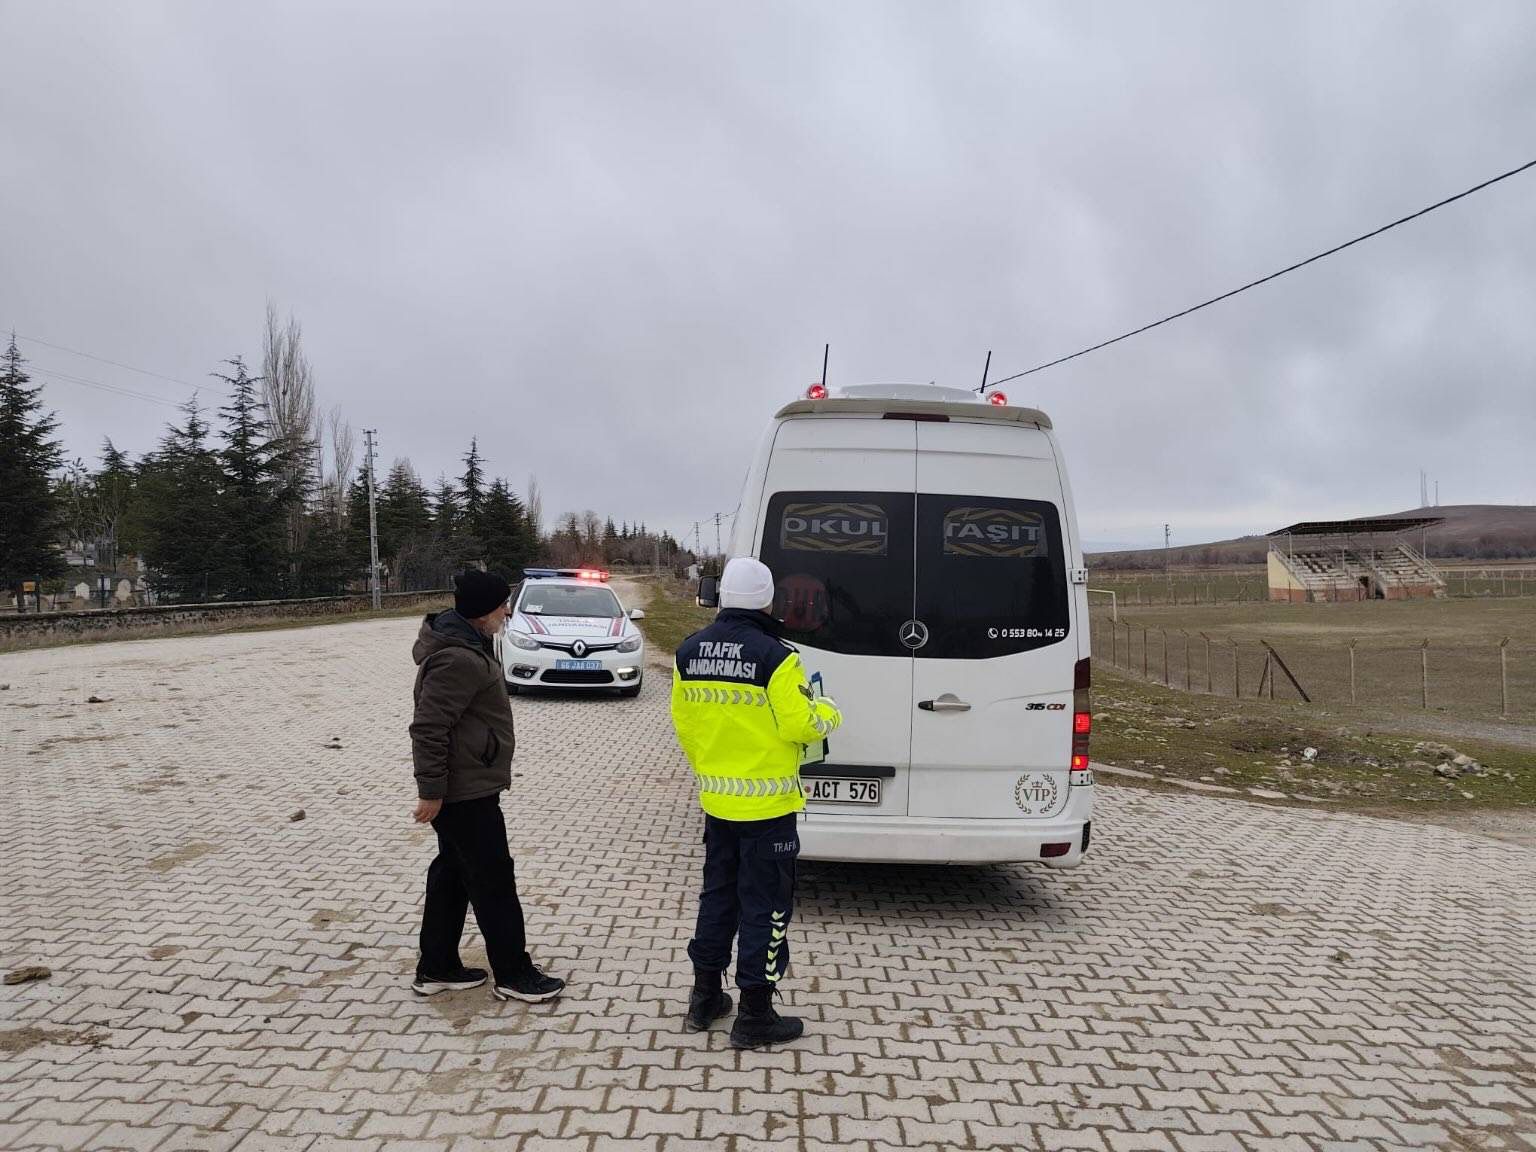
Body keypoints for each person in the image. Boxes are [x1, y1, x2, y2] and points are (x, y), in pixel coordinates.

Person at [669, 557, 843, 1049]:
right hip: (768, 809)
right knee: (765, 908)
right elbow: (801, 725)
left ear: (723, 597)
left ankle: (704, 998)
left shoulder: (688, 651)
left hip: (718, 803)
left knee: (717, 899)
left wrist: (711, 768)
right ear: (768, 601)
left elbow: (684, 724)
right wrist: (828, 712)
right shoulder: (777, 657)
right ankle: (755, 1016)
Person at [409, 569, 565, 1003]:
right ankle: (514, 974)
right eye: (502, 606)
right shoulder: (457, 658)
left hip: (468, 784)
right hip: (465, 792)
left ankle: (437, 966)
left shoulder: (469, 643)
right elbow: (428, 727)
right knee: (494, 880)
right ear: (482, 612)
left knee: (453, 875)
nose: (507, 612)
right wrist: (431, 791)